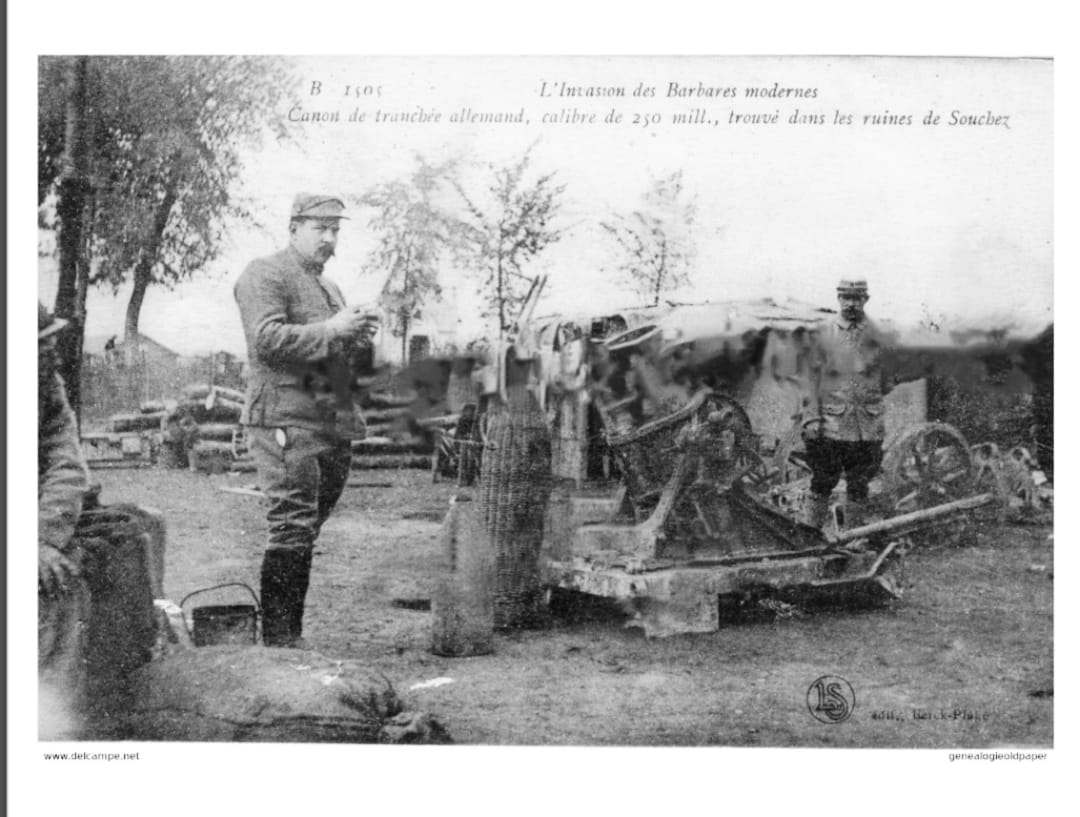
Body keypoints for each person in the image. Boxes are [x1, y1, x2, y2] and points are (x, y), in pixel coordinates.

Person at [234, 193, 378, 647]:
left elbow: (341, 357)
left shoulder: (330, 289)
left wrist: (360, 339)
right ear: (294, 228)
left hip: (330, 424)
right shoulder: (265, 273)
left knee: (306, 528)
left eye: (336, 229)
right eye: (321, 228)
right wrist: (334, 329)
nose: (330, 238)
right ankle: (282, 645)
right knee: (292, 526)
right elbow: (266, 339)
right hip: (284, 419)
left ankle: (285, 638)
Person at [38, 303, 93, 736]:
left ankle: (54, 725)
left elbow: (66, 463)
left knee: (64, 575)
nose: (52, 352)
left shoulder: (45, 385)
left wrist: (44, 537)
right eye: (40, 345)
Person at [804, 279, 892, 530]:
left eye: (857, 298)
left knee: (859, 483)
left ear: (866, 300)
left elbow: (886, 380)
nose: (851, 303)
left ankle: (853, 538)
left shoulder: (878, 334)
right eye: (846, 297)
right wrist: (811, 418)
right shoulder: (823, 333)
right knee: (822, 480)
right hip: (830, 424)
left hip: (867, 425)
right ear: (839, 299)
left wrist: (867, 398)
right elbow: (808, 379)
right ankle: (808, 536)